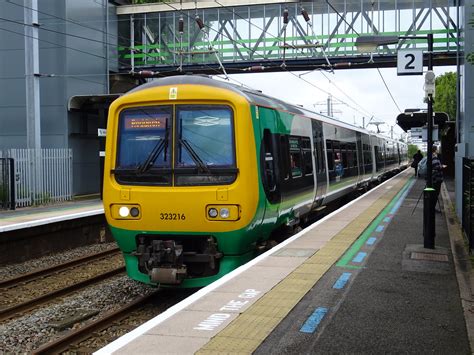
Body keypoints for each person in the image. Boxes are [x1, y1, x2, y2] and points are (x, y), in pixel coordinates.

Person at [431, 145, 443, 212]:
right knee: (435, 194)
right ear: (435, 150)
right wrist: (442, 166)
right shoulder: (434, 157)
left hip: (433, 178)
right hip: (436, 179)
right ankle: (432, 208)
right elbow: (436, 167)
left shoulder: (430, 156)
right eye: (437, 149)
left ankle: (431, 207)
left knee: (433, 194)